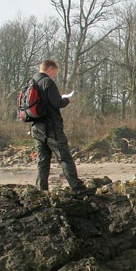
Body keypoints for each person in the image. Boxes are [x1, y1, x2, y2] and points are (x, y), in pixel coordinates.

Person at [30, 59, 92, 196]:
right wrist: (67, 100)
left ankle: (42, 191)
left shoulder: (32, 82)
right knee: (64, 157)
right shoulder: (47, 82)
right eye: (55, 73)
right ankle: (78, 189)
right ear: (50, 69)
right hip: (51, 127)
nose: (54, 76)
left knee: (42, 160)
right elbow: (57, 103)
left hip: (36, 127)